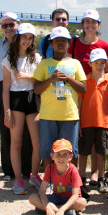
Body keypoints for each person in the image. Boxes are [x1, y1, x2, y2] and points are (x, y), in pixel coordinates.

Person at [33, 26, 87, 188]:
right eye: (57, 41)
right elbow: (36, 89)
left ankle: (72, 183)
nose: (61, 44)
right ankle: (50, 183)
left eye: (64, 41)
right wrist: (51, 79)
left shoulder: (75, 63)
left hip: (69, 116)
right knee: (49, 152)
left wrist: (69, 78)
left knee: (70, 152)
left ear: (69, 43)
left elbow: (83, 89)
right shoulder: (44, 64)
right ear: (51, 43)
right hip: (48, 115)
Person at [0, 12, 32, 182]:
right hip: (2, 88)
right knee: (6, 129)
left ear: (18, 25)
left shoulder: (29, 46)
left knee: (25, 132)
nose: (8, 28)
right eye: (5, 26)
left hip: (24, 90)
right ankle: (8, 169)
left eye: (11, 25)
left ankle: (26, 169)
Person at [2, 23, 42, 195]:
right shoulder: (8, 60)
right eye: (24, 37)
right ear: (18, 37)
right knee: (16, 142)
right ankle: (18, 179)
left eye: (30, 37)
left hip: (33, 99)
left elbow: (42, 80)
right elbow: (4, 88)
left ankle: (34, 175)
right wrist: (7, 111)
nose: (26, 40)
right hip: (16, 99)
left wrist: (29, 76)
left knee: (37, 142)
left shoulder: (37, 58)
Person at [78, 48, 108, 193]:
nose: (100, 66)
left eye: (102, 63)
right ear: (90, 64)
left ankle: (101, 179)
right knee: (83, 152)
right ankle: (81, 179)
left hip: (103, 123)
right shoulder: (85, 81)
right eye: (97, 63)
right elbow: (80, 104)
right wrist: (79, 123)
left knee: (101, 152)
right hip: (86, 123)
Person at [28, 139, 87, 215]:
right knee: (32, 198)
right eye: (58, 154)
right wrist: (48, 206)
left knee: (82, 203)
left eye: (65, 154)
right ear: (52, 156)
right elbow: (42, 191)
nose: (61, 158)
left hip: (69, 199)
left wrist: (62, 209)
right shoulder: (50, 168)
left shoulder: (73, 170)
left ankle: (53, 211)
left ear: (70, 156)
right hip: (56, 197)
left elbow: (75, 195)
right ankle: (64, 213)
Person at [69, 9, 108, 75]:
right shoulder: (73, 43)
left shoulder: (104, 46)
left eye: (93, 22)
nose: (90, 25)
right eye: (87, 21)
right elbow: (66, 65)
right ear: (82, 24)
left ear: (98, 25)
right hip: (78, 84)